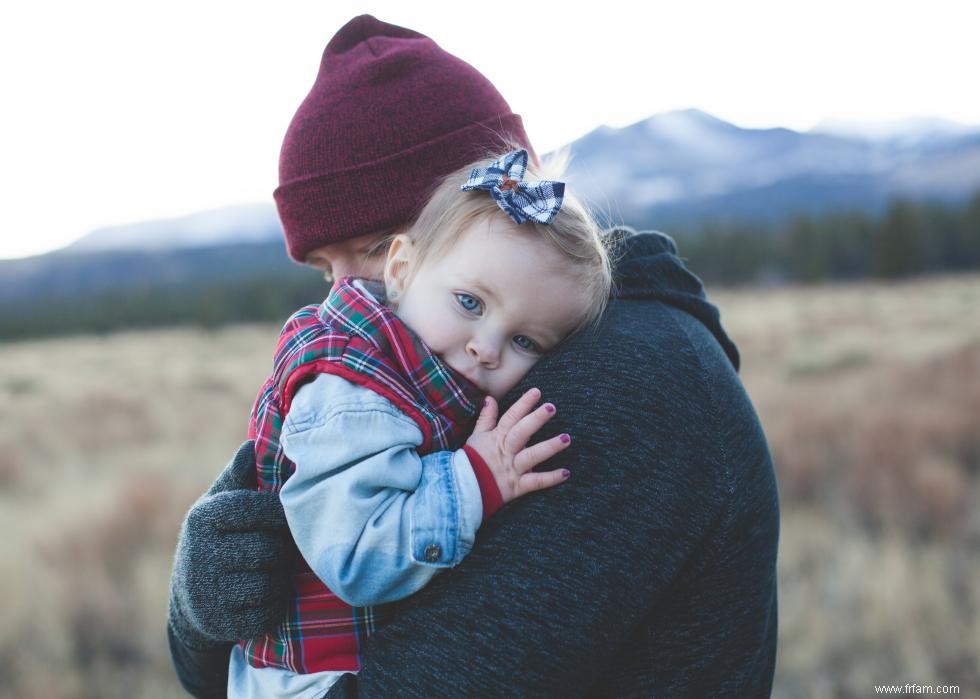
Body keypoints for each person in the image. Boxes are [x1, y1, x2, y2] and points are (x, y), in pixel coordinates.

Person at [168, 14, 779, 699]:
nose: (345, 298)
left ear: (493, 201)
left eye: (373, 248)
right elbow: (216, 667)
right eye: (322, 270)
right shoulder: (418, 370)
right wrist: (199, 606)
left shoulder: (625, 384)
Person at [230, 147, 611, 698]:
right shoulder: (352, 393)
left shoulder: (423, 369)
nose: (486, 348)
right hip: (311, 682)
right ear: (402, 270)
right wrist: (475, 478)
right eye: (470, 303)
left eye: (525, 341)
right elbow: (358, 556)